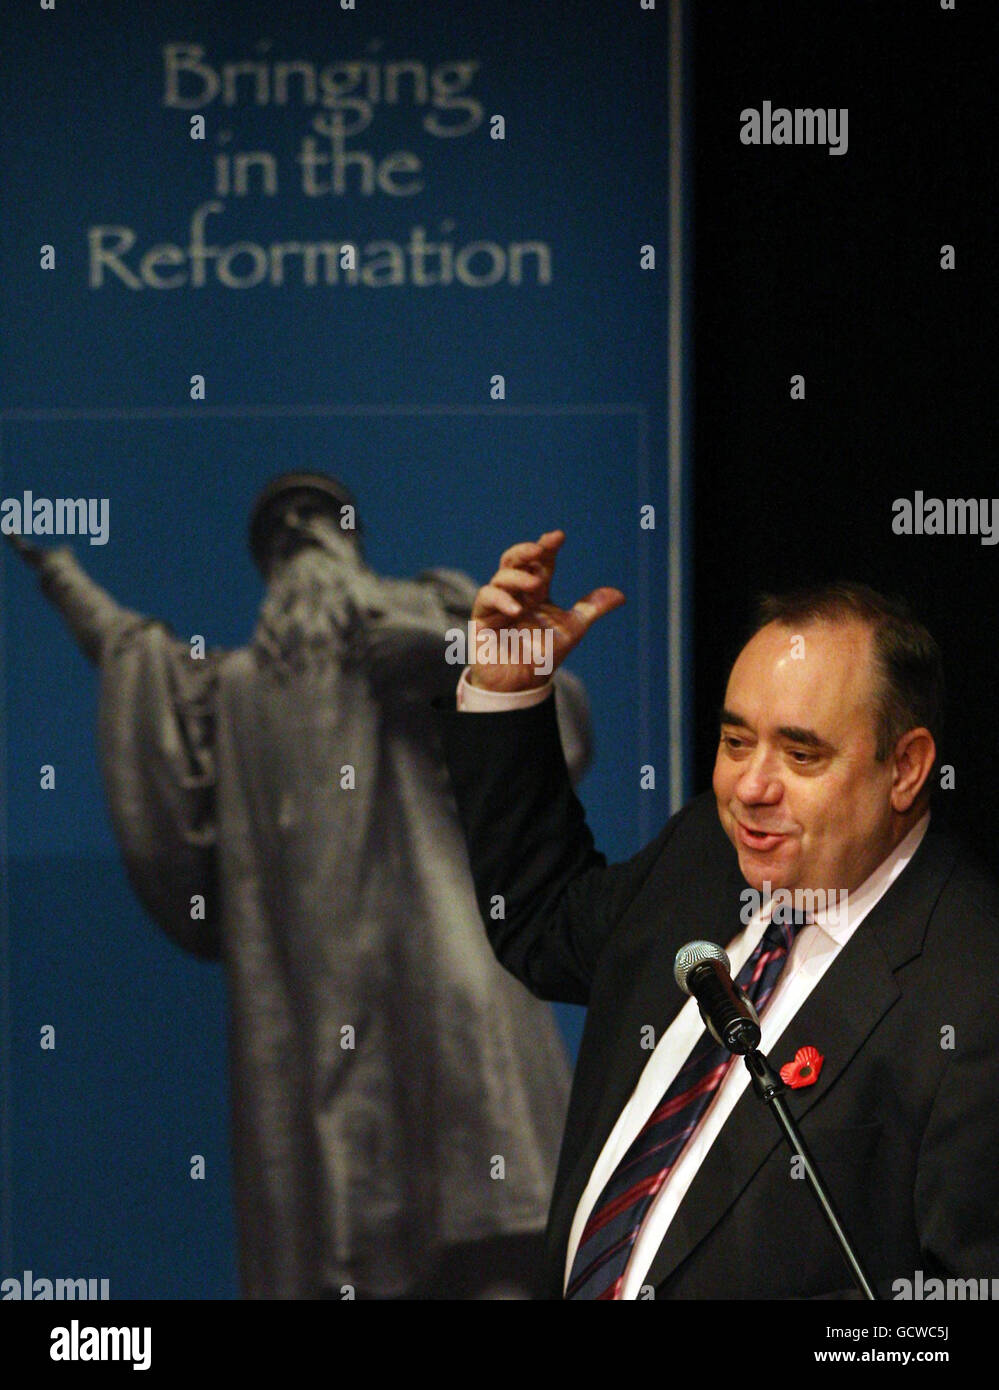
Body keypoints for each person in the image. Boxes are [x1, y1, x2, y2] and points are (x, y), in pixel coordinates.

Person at [6, 482, 592, 1300]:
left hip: (444, 950)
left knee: (487, 1182)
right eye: (279, 534)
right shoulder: (240, 690)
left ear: (348, 537)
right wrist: (59, 572)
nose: (298, 536)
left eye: (314, 518)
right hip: (318, 995)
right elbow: (137, 664)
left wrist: (445, 650)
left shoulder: (430, 610)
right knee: (341, 1221)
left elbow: (559, 722)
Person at [438, 528, 999, 1300]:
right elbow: (539, 923)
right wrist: (507, 689)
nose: (750, 787)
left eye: (800, 756)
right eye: (736, 741)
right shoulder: (706, 848)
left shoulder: (970, 991)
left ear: (903, 767)